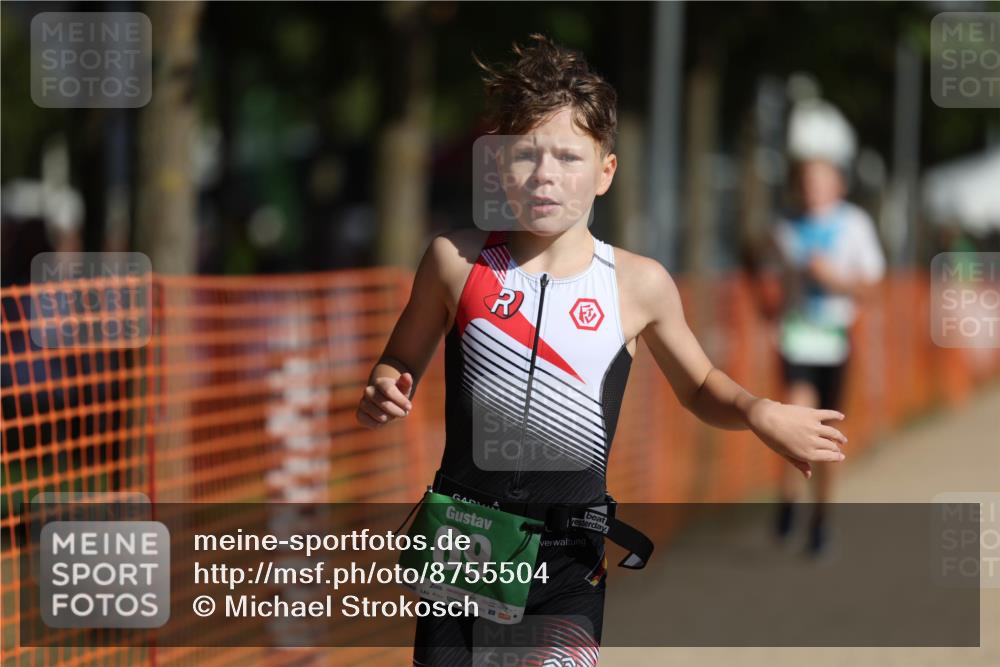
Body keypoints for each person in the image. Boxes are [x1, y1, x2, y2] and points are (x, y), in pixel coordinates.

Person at [356, 34, 848, 666]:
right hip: (463, 545)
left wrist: (757, 411)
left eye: (568, 157)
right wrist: (384, 382)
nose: (546, 175)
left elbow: (699, 386)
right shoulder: (455, 261)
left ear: (606, 171)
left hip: (570, 557)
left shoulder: (638, 284)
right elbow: (399, 360)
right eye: (525, 156)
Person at [768, 101, 886, 555]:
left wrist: (832, 278)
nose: (813, 188)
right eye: (806, 181)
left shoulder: (854, 225)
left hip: (836, 342)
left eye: (821, 180)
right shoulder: (785, 228)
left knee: (828, 438)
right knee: (797, 418)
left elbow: (873, 287)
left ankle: (820, 516)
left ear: (837, 183)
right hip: (796, 339)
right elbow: (765, 276)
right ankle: (788, 498)